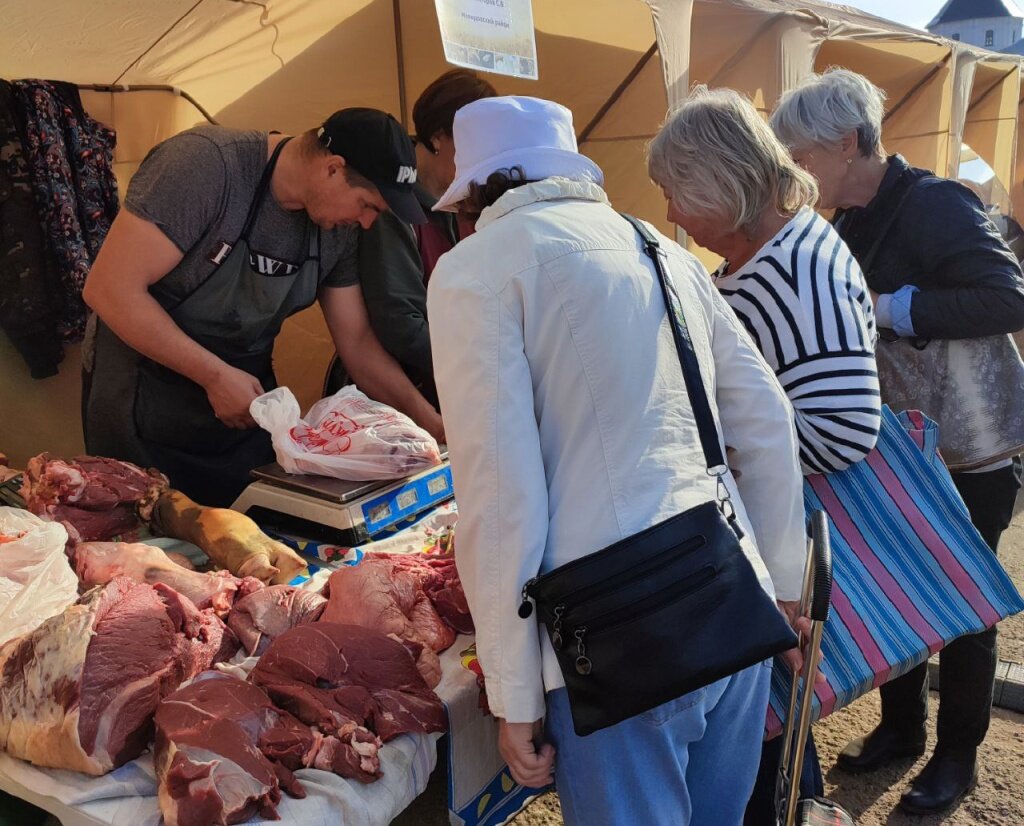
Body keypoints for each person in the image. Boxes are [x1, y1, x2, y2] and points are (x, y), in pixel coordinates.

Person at [427, 95, 808, 826]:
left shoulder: (475, 269)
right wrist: (782, 579)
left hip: (622, 632)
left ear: (475, 190)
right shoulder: (658, 246)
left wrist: (513, 697)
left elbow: (501, 495)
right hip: (730, 594)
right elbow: (765, 414)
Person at [771, 67, 1024, 815]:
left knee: (967, 606)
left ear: (849, 144)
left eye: (801, 154)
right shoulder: (842, 218)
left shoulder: (935, 203)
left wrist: (883, 307)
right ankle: (903, 728)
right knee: (905, 582)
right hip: (902, 444)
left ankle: (958, 758)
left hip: (973, 445)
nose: (793, 170)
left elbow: (1008, 296)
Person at [648, 85, 881, 824]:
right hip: (777, 536)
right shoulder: (784, 245)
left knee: (770, 726)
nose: (670, 215)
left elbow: (847, 426)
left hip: (788, 538)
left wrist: (734, 451)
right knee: (775, 718)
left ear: (718, 184)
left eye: (674, 194)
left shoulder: (791, 270)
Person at [82, 108, 444, 507]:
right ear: (333, 169)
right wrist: (214, 376)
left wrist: (429, 425)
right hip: (143, 398)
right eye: (367, 205)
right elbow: (110, 289)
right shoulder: (204, 167)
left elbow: (357, 342)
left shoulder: (338, 232)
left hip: (242, 407)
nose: (368, 222)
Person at [325, 69, 497, 404]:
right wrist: (483, 370)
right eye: (475, 145)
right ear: (438, 137)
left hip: (458, 387)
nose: (483, 160)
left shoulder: (470, 206)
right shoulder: (390, 205)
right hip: (402, 398)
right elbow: (399, 322)